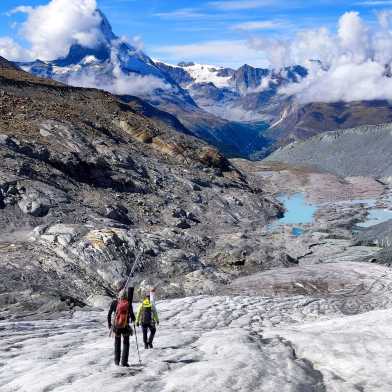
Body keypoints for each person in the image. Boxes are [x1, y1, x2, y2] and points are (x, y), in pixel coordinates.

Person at [107, 281, 136, 367]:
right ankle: (124, 362)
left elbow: (109, 314)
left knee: (117, 343)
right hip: (125, 326)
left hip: (116, 326)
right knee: (126, 343)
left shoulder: (114, 303)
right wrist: (133, 320)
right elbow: (132, 316)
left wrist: (109, 325)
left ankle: (116, 361)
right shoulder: (128, 304)